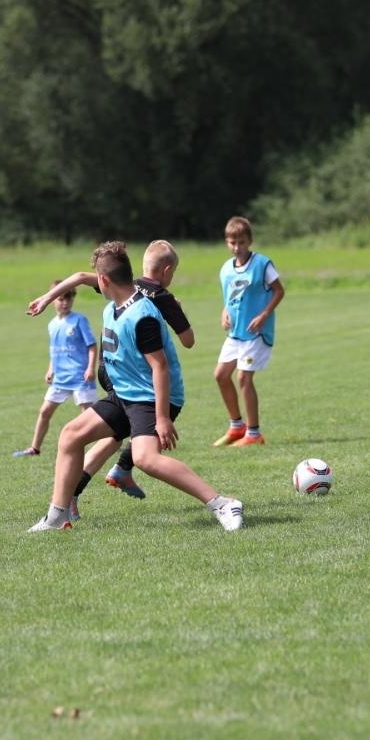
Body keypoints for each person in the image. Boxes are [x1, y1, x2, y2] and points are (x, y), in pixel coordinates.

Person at [28, 240, 243, 533]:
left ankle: (222, 503)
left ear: (103, 281)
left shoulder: (142, 316)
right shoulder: (112, 309)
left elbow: (160, 367)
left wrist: (162, 417)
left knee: (145, 458)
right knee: (70, 435)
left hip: (152, 397)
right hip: (125, 395)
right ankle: (56, 517)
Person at [26, 242, 194, 502]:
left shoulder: (127, 284)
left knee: (115, 433)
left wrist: (47, 298)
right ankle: (110, 475)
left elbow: (81, 277)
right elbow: (188, 340)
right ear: (168, 270)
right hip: (133, 376)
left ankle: (105, 478)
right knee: (133, 431)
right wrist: (175, 311)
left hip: (109, 368)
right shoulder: (162, 298)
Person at [211, 215, 285, 447]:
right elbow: (231, 297)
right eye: (232, 242)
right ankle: (236, 427)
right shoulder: (226, 269)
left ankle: (254, 434)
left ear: (249, 241)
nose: (237, 247)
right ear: (227, 242)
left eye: (241, 242)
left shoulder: (262, 264)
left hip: (256, 333)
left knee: (243, 376)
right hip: (236, 334)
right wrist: (224, 311)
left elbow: (279, 291)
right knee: (221, 375)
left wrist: (264, 315)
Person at [12, 281, 99, 458]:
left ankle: (95, 448)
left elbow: (92, 345)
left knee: (88, 417)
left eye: (69, 298)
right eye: (61, 299)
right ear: (53, 300)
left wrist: (91, 367)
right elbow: (55, 349)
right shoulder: (52, 324)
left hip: (80, 376)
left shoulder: (79, 320)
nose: (65, 302)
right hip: (61, 377)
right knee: (45, 411)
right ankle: (34, 448)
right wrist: (50, 369)